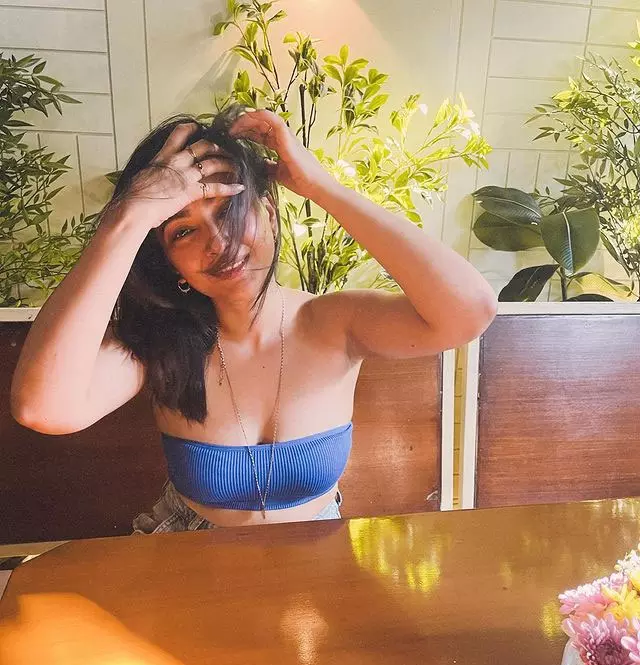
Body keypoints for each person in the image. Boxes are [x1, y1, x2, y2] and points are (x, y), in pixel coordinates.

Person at [10, 106, 497, 532]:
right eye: (182, 232)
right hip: (189, 555)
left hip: (314, 555)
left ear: (269, 211)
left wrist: (321, 186)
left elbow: (468, 312)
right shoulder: (160, 342)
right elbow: (44, 408)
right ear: (169, 262)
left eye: (228, 209)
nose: (218, 244)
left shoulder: (335, 322)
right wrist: (128, 217)